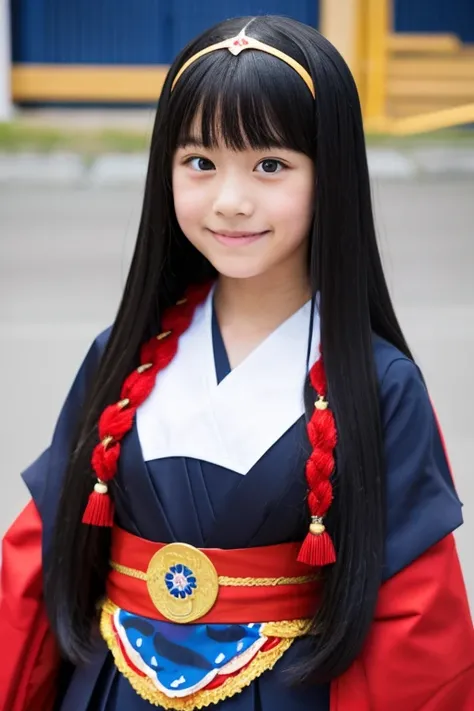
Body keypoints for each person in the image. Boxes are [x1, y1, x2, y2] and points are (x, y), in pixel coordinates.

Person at [1, 14, 473, 711]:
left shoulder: (378, 385)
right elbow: (38, 564)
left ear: (331, 176)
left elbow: (413, 624)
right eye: (200, 162)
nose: (230, 200)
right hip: (110, 686)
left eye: (271, 165)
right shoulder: (120, 355)